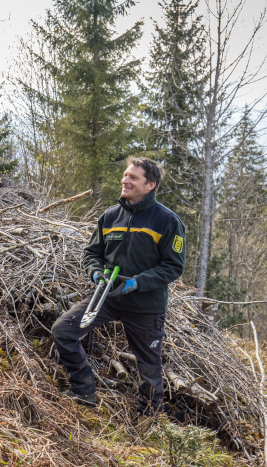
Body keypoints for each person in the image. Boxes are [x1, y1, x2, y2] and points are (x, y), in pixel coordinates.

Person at [51, 157, 185, 416]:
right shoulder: (110, 217)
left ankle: (149, 418)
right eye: (125, 175)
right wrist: (95, 274)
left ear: (150, 185)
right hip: (106, 298)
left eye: (134, 178)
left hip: (146, 306)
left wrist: (137, 283)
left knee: (149, 365)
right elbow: (91, 254)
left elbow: (173, 266)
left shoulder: (167, 221)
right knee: (63, 331)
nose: (125, 181)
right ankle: (83, 390)